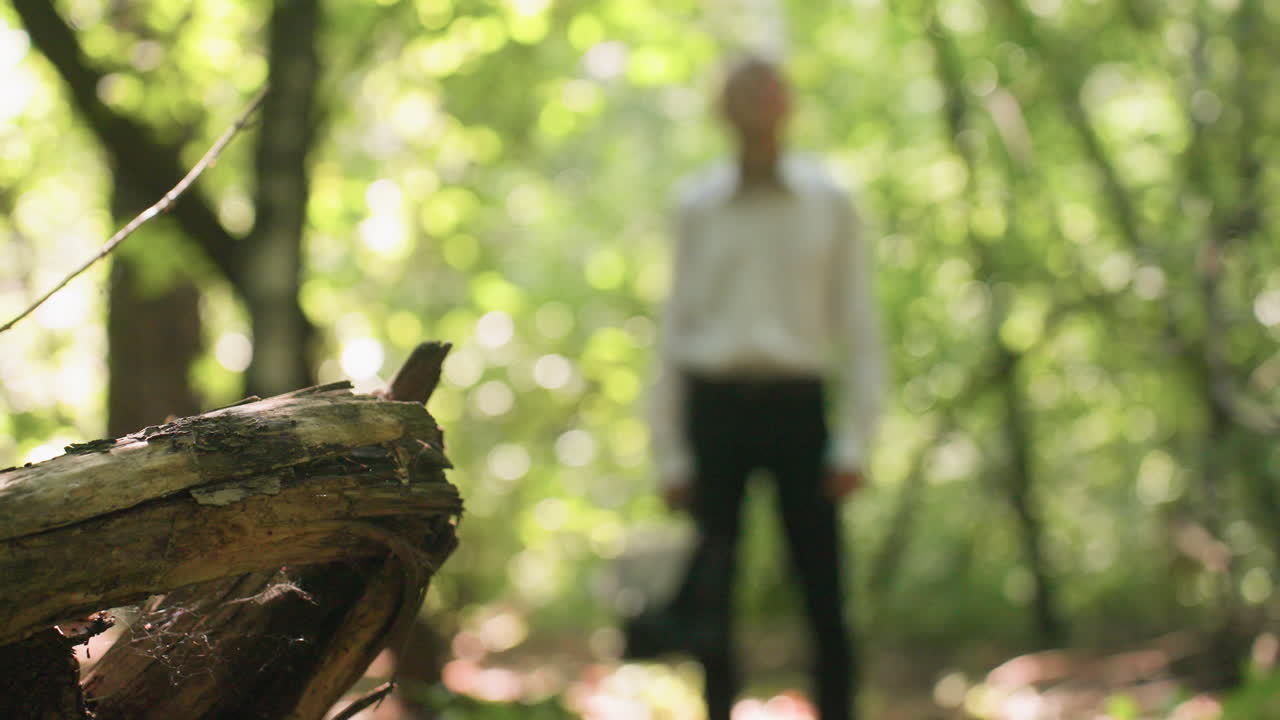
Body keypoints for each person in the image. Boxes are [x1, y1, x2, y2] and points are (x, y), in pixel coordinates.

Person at [625, 55, 887, 720]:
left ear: (788, 102)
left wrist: (856, 440)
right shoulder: (697, 206)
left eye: (767, 87)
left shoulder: (830, 200)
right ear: (722, 106)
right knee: (711, 590)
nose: (755, 100)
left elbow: (859, 325)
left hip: (801, 408)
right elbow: (674, 330)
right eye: (740, 88)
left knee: (823, 590)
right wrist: (671, 451)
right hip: (716, 411)